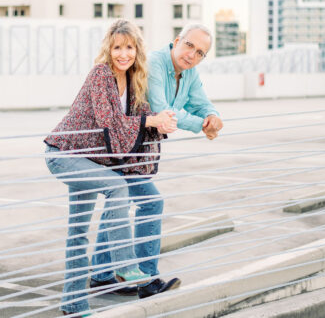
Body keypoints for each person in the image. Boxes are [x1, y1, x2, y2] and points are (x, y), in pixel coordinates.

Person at [44, 19, 178, 316]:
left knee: (78, 233)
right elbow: (111, 124)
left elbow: (145, 121)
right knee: (117, 187)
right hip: (64, 155)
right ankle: (126, 266)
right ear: (109, 49)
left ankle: (73, 305)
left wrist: (162, 122)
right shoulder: (100, 75)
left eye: (129, 47)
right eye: (117, 47)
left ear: (137, 51)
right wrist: (149, 121)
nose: (123, 54)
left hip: (91, 160)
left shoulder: (134, 81)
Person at [90, 24, 223, 299]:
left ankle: (101, 276)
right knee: (150, 202)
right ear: (177, 41)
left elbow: (201, 102)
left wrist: (212, 117)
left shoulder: (189, 73)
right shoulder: (156, 63)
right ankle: (147, 281)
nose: (192, 55)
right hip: (122, 144)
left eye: (200, 53)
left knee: (119, 202)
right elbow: (164, 108)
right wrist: (201, 125)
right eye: (189, 46)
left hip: (137, 149)